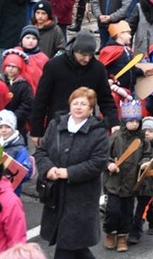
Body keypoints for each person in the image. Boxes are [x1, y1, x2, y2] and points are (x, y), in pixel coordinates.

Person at [34, 87, 110, 258]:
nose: (78, 107)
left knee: (67, 244)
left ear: (91, 109)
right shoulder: (56, 125)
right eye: (75, 103)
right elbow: (41, 151)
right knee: (75, 245)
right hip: (56, 195)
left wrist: (69, 173)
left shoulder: (98, 132)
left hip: (81, 199)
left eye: (84, 104)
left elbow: (98, 163)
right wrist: (48, 169)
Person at [29, 31, 118, 144]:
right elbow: (41, 100)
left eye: (90, 55)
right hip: (57, 126)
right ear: (74, 50)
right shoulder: (54, 66)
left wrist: (114, 122)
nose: (87, 59)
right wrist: (36, 131)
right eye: (83, 55)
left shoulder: (98, 69)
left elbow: (106, 100)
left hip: (86, 128)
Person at [103, 100, 151, 252]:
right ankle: (110, 232)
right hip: (114, 182)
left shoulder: (143, 138)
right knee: (113, 210)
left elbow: (147, 155)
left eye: (137, 121)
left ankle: (123, 235)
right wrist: (110, 164)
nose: (135, 124)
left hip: (131, 182)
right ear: (124, 121)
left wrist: (145, 163)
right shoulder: (116, 137)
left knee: (127, 211)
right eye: (131, 121)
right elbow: (104, 155)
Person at [0, 110, 32, 196]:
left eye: (7, 127)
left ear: (13, 128)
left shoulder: (20, 149)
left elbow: (25, 173)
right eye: (0, 127)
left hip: (11, 193)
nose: (3, 130)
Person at [0, 49, 34, 140]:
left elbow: (27, 104)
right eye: (8, 66)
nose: (10, 69)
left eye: (14, 66)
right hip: (1, 121)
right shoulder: (0, 81)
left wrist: (15, 117)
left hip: (18, 123)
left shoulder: (24, 85)